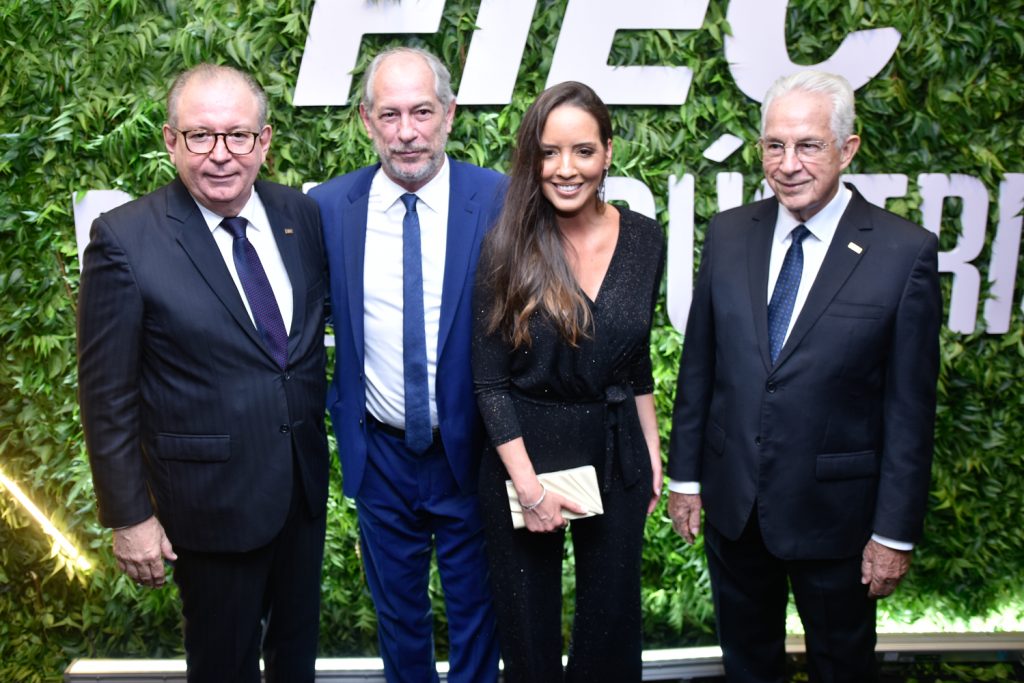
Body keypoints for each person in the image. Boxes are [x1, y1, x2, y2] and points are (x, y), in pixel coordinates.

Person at [666, 70, 941, 683]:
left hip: (837, 519)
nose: (787, 164)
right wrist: (685, 476)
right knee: (747, 665)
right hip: (736, 510)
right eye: (774, 145)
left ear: (848, 149)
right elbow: (701, 366)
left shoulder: (904, 253)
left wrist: (893, 535)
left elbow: (909, 410)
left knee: (842, 667)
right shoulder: (730, 232)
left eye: (808, 145)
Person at [77, 64, 330, 682]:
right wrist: (130, 517)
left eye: (238, 136)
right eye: (200, 136)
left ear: (264, 141)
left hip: (299, 491)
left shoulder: (300, 215)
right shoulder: (125, 239)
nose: (221, 155)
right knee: (224, 667)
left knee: (295, 658)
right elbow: (106, 395)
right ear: (171, 140)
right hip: (209, 507)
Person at [309, 47, 501, 683]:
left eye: (422, 111)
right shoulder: (330, 208)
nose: (407, 132)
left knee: (481, 615)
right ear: (366, 120)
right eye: (389, 115)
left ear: (449, 113)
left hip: (474, 455)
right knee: (399, 619)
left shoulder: (499, 200)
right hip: (383, 456)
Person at [472, 81, 665, 683]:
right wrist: (528, 489)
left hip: (615, 446)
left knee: (611, 632)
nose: (565, 169)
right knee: (528, 640)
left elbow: (636, 359)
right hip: (524, 454)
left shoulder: (644, 237)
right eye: (549, 152)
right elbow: (488, 384)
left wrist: (652, 454)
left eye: (582, 150)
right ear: (532, 158)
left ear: (608, 152)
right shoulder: (507, 245)